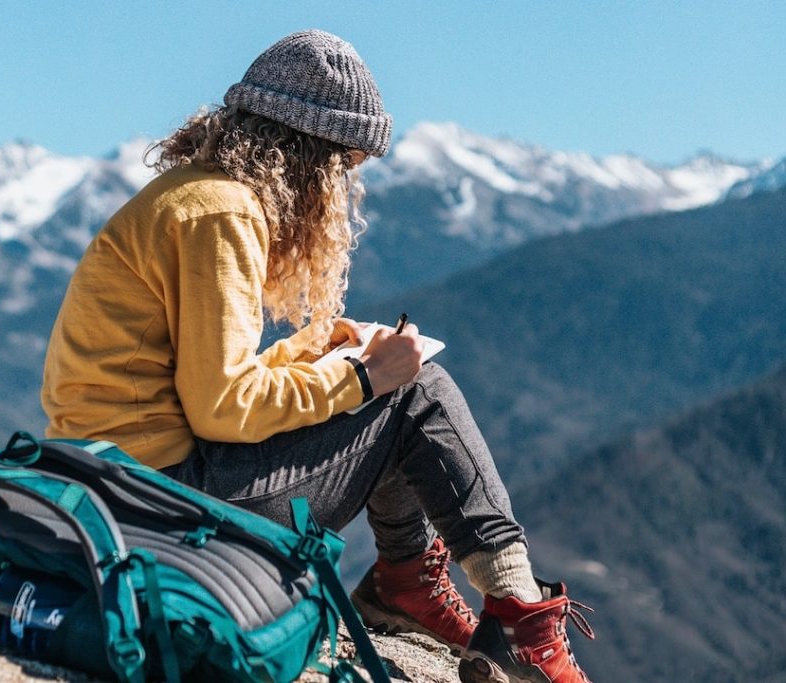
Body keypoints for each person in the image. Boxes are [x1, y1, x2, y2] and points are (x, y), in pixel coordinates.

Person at [42, 29, 594, 683]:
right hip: (161, 501)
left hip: (117, 480)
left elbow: (191, 382)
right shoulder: (224, 215)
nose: (343, 188)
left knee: (394, 388)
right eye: (345, 167)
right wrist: (361, 377)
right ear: (310, 155)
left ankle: (407, 585)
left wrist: (314, 351)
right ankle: (519, 618)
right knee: (418, 391)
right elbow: (222, 409)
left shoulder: (193, 196)